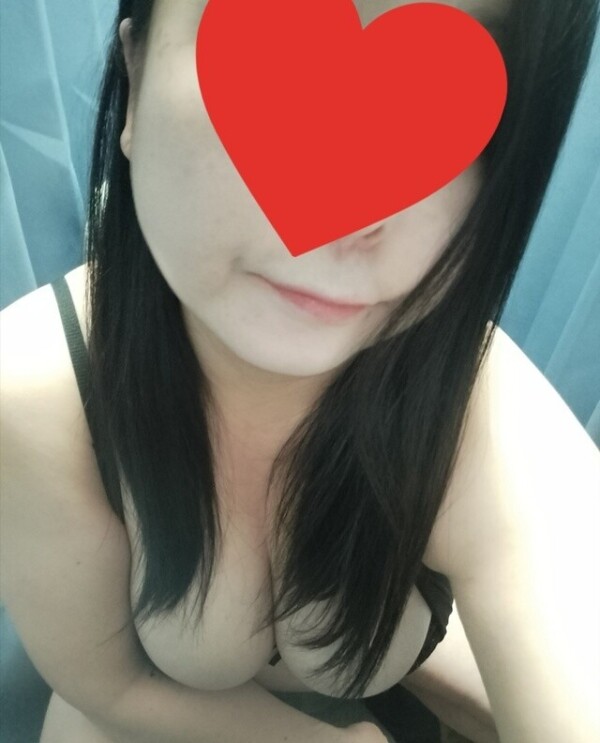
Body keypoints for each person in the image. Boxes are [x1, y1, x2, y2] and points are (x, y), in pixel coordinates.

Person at [1, 1, 599, 742]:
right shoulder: (41, 387)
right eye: (273, 70)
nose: (345, 208)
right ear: (138, 70)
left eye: (432, 102)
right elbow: (109, 685)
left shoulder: (481, 421)